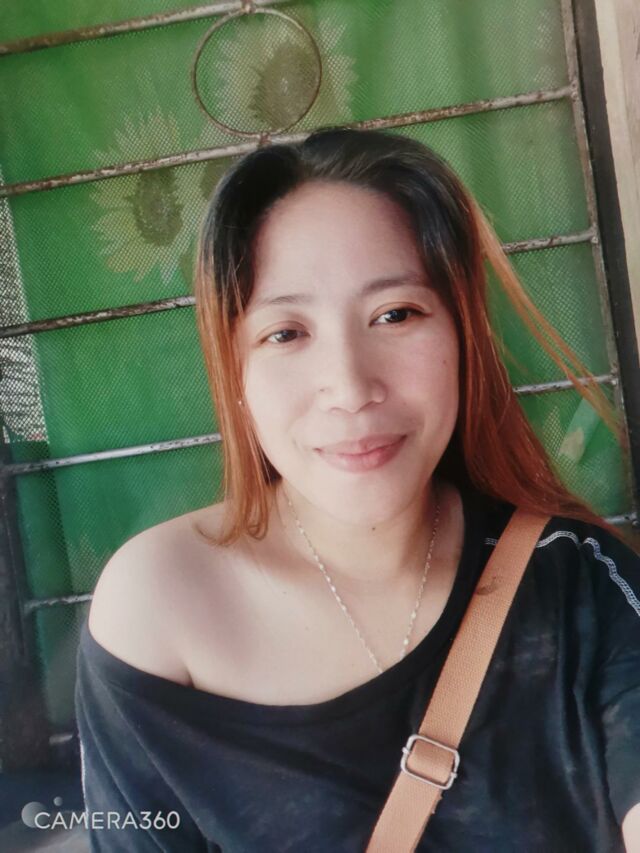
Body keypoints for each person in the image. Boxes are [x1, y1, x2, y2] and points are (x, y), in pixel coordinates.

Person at [74, 128, 640, 852]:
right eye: (285, 333)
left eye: (395, 314)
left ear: (463, 338)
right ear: (234, 373)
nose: (349, 387)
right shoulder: (159, 612)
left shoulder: (576, 581)